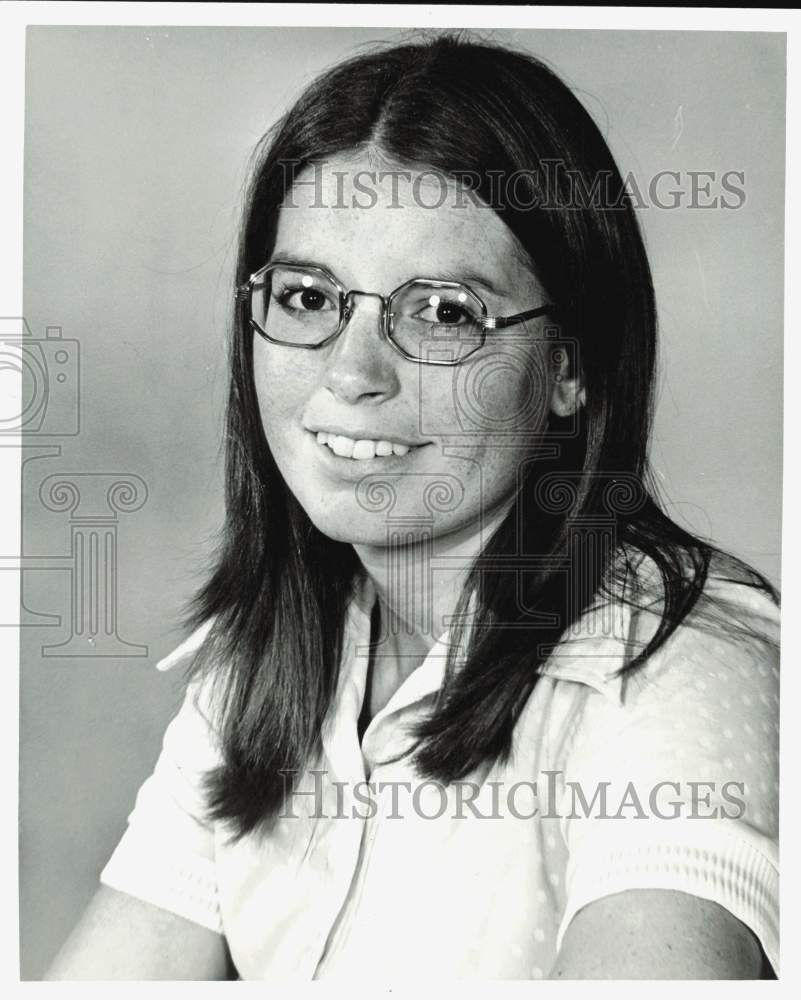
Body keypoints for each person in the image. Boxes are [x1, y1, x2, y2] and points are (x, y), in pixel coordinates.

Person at [46, 33, 779, 980]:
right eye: (308, 296)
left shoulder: (680, 671)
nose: (351, 374)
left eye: (441, 312)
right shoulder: (258, 670)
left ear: (570, 368)